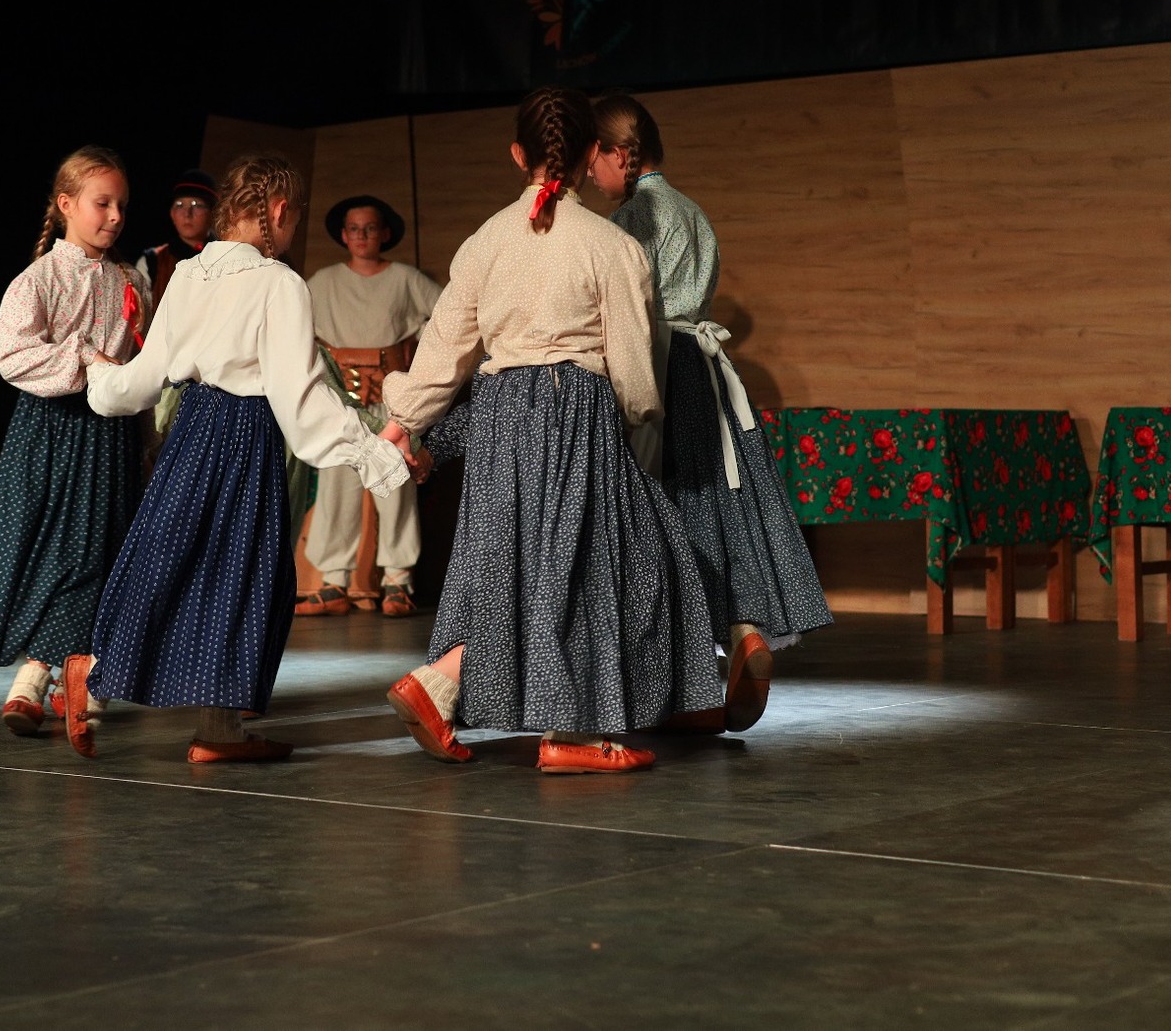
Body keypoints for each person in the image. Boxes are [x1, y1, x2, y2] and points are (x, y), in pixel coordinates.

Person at [376, 88, 722, 775]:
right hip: (573, 409)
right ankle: (573, 732)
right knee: (599, 561)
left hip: (500, 411)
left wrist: (402, 422)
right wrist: (640, 418)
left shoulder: (486, 240)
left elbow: (444, 348)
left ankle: (440, 682)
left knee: (516, 567)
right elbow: (633, 368)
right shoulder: (611, 245)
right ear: (592, 154)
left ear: (517, 154)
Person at [83, 153, 410, 763]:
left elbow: (148, 376)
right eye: (296, 220)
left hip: (191, 431)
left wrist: (103, 381)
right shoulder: (278, 283)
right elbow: (301, 398)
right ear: (279, 212)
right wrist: (375, 455)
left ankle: (193, 717)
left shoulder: (189, 274)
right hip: (244, 438)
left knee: (170, 558)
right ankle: (203, 720)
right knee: (244, 576)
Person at [589, 94, 832, 733]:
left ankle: (680, 679)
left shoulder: (630, 220)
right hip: (703, 370)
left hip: (656, 365)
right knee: (717, 506)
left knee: (658, 513)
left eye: (594, 160)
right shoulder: (693, 211)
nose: (590, 174)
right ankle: (744, 629)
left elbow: (624, 308)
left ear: (619, 155)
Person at [0, 146, 147, 752]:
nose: (114, 216)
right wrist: (87, 359)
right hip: (52, 430)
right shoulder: (38, 279)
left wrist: (142, 415)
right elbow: (13, 356)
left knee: (100, 554)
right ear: (66, 204)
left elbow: (142, 358)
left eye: (121, 205)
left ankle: (58, 680)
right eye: (102, 203)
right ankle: (42, 678)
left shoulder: (130, 280)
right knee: (56, 552)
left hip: (109, 433)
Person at [298, 195, 440, 618]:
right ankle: (334, 581)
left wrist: (416, 356)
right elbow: (296, 327)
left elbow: (447, 317)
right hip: (341, 400)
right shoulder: (323, 282)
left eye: (370, 228)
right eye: (354, 229)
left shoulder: (405, 279)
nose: (362, 236)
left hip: (390, 399)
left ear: (384, 233)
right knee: (337, 487)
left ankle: (398, 580)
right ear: (344, 236)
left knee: (395, 482)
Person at [139, 169, 215, 309]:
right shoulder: (152, 261)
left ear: (213, 213)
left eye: (197, 205)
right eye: (179, 205)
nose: (187, 214)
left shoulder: (225, 258)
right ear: (172, 213)